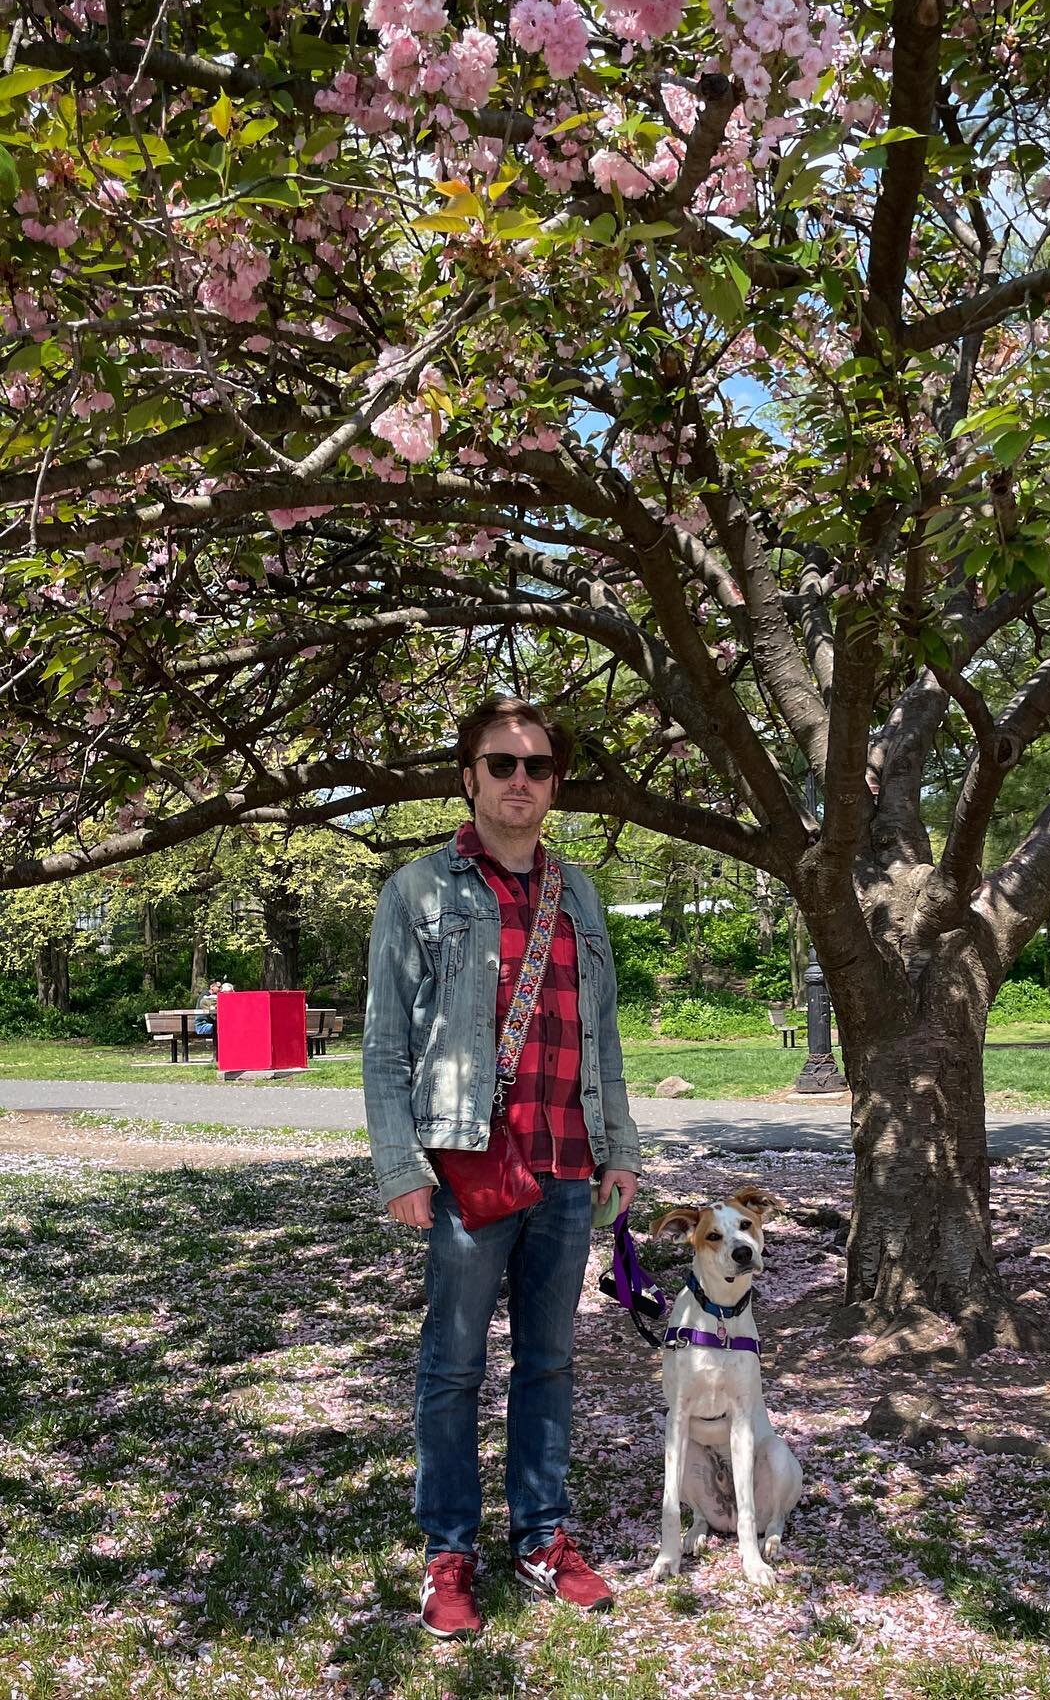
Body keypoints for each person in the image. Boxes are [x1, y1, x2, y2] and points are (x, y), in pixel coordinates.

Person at [363, 695, 641, 1639]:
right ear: (469, 777)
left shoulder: (584, 892)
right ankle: (449, 1551)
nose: (520, 780)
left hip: (568, 1163)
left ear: (553, 784)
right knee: (453, 1367)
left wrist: (622, 1151)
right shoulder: (418, 890)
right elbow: (385, 1045)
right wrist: (400, 1163)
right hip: (471, 1169)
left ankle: (541, 1536)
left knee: (551, 1362)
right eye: (501, 764)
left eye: (536, 767)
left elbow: (601, 1035)